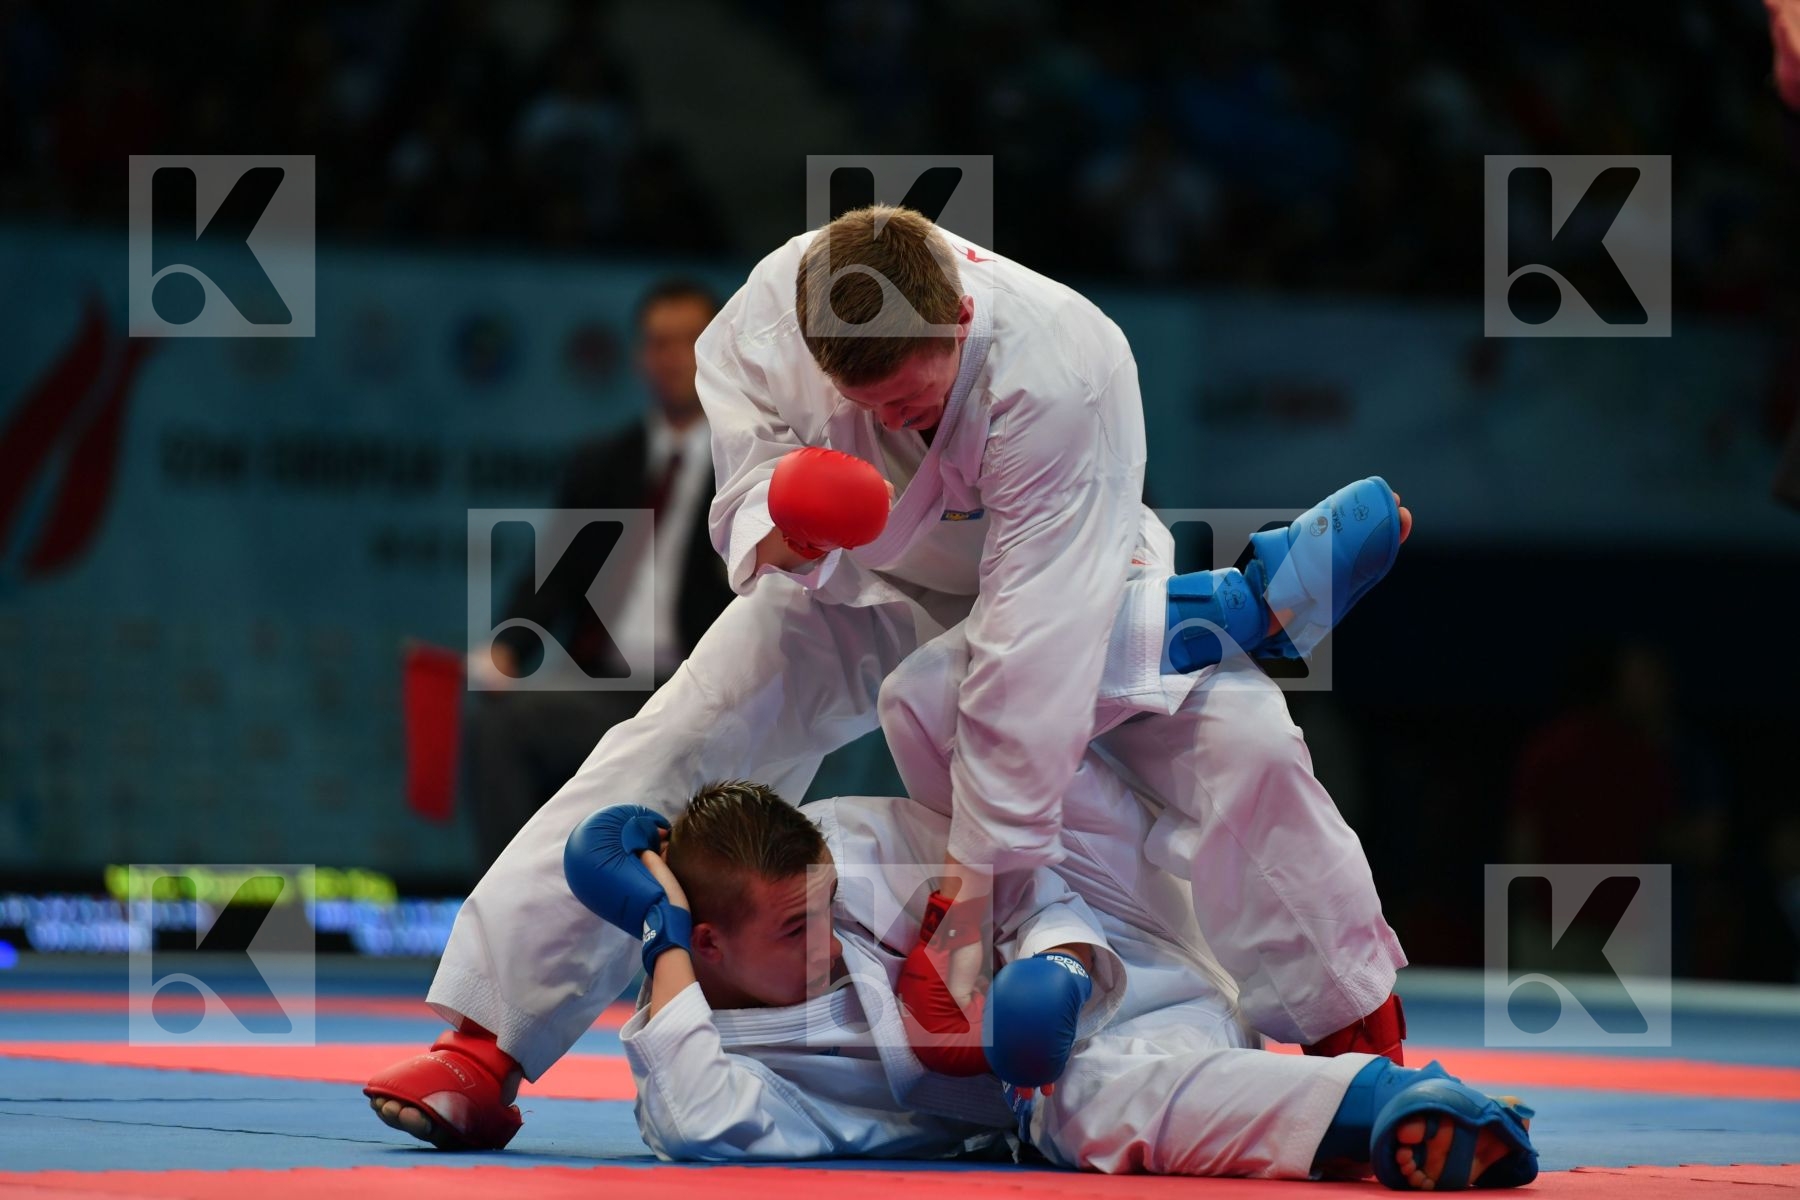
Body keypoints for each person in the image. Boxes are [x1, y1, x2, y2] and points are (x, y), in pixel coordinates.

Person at [365, 205, 1410, 1146]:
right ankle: (484, 1044)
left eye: (918, 399)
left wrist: (974, 887)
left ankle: (1351, 1036)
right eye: (873, 404)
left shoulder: (1065, 365)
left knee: (1245, 743)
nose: (903, 423)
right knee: (674, 738)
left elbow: (1031, 643)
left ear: (958, 309)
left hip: (1056, 578)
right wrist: (786, 519)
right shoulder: (764, 321)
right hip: (855, 584)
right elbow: (744, 514)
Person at [558, 777, 1539, 1189]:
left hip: (1132, 963)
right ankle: (1390, 1109)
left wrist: (1056, 970)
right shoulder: (697, 1048)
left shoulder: (852, 847)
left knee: (1068, 1094)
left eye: (822, 903)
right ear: (708, 947)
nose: (828, 927)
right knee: (1072, 1108)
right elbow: (696, 1127)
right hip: (1103, 1084)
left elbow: (1015, 874)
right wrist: (659, 934)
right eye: (793, 926)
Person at [465, 279, 735, 869]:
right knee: (501, 728)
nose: (672, 357)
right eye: (658, 342)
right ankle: (509, 909)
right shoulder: (603, 461)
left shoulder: (748, 463)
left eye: (688, 340)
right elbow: (550, 578)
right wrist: (508, 649)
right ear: (640, 357)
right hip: (604, 688)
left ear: (720, 348)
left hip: (704, 693)